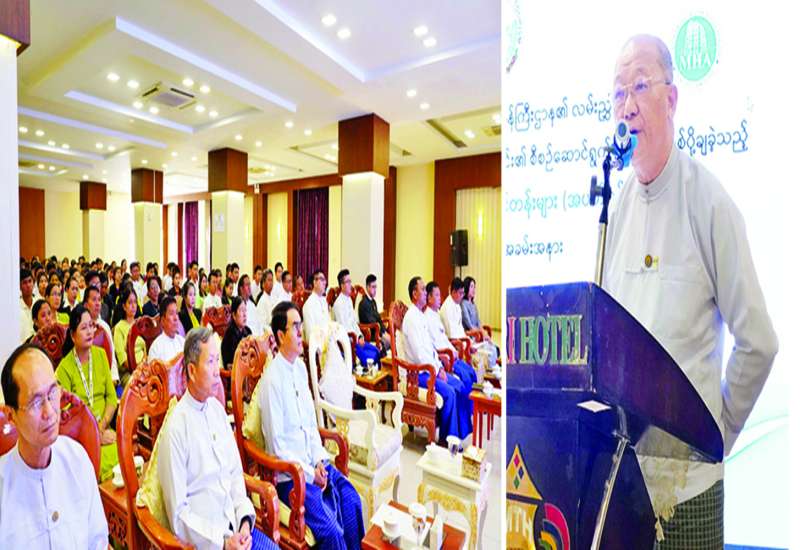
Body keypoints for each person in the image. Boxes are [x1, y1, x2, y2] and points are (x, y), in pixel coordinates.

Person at [602, 35, 778, 548]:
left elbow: (759, 341)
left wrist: (717, 434)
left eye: (640, 86)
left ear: (672, 99)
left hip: (689, 489)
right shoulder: (614, 208)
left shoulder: (709, 201)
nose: (627, 106)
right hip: (623, 479)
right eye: (618, 93)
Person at [158, 327, 277, 550]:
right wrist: (222, 542)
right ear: (192, 370)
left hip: (238, 532)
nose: (217, 371)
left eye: (217, 361)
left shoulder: (217, 411)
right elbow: (178, 515)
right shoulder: (176, 428)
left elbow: (235, 474)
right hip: (208, 542)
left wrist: (244, 523)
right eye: (211, 362)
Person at [261, 301, 365, 550]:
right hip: (292, 477)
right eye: (295, 327)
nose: (301, 332)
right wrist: (310, 473)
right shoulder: (271, 381)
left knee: (352, 499)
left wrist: (319, 461)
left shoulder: (299, 368)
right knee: (331, 531)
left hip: (315, 464)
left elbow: (311, 424)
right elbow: (277, 447)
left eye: (301, 326)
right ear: (280, 336)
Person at [0, 344, 108, 549]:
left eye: (52, 393)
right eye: (35, 402)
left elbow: (98, 541)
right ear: (11, 416)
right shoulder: (3, 487)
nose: (49, 412)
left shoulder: (77, 459)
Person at [55, 305, 119, 481]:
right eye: (84, 328)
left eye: (91, 325)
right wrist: (94, 436)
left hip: (105, 428)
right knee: (95, 468)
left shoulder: (100, 355)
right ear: (72, 335)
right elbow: (68, 420)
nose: (90, 331)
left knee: (124, 455)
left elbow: (111, 398)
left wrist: (101, 427)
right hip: (82, 440)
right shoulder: (64, 368)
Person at [402, 277, 469, 443]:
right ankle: (446, 441)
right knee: (450, 393)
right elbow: (419, 355)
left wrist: (439, 366)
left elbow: (430, 349)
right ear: (414, 294)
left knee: (459, 386)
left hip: (430, 368)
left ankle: (458, 436)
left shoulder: (420, 315)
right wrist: (437, 370)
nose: (426, 293)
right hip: (418, 374)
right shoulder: (411, 318)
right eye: (423, 289)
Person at [424, 281, 477, 411]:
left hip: (450, 353)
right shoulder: (426, 318)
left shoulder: (435, 314)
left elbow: (444, 338)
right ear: (429, 298)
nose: (440, 298)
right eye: (437, 295)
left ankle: (473, 408)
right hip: (444, 357)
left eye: (440, 295)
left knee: (471, 372)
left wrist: (453, 350)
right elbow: (433, 345)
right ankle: (466, 412)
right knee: (464, 378)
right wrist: (449, 353)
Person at [440, 277, 497, 366]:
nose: (462, 295)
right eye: (460, 293)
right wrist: (468, 344)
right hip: (458, 344)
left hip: (464, 340)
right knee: (486, 354)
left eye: (463, 293)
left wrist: (470, 341)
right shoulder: (447, 308)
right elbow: (452, 335)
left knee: (492, 349)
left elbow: (461, 330)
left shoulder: (456, 305)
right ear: (453, 292)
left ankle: (491, 369)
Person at [332, 269, 380, 366]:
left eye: (350, 281)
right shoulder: (338, 304)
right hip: (350, 343)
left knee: (377, 351)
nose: (351, 284)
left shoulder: (349, 300)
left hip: (357, 339)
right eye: (348, 282)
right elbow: (344, 329)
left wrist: (360, 336)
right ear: (342, 285)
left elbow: (354, 323)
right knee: (371, 357)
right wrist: (357, 339)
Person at [83, 286, 120, 384]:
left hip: (106, 377)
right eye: (94, 300)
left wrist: (114, 378)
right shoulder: (81, 327)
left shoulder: (105, 326)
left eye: (99, 300)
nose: (97, 303)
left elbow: (111, 355)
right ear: (86, 304)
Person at [112, 286, 145, 387]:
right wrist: (137, 369)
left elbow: (145, 349)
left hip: (144, 369)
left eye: (135, 302)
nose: (133, 306)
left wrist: (143, 366)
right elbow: (122, 358)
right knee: (139, 386)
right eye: (130, 303)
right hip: (128, 372)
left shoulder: (140, 324)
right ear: (124, 306)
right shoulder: (119, 328)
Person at [358, 273, 390, 350]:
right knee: (389, 341)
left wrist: (384, 332)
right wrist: (383, 334)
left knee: (393, 338)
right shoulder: (364, 303)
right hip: (370, 334)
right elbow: (371, 322)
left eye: (376, 287)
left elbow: (378, 319)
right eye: (373, 287)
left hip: (378, 331)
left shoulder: (373, 302)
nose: (375, 290)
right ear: (367, 287)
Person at [148, 296, 185, 362]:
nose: (176, 318)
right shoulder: (156, 348)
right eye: (171, 314)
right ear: (163, 320)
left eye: (176, 313)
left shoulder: (182, 341)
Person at [221, 297, 252, 369]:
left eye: (245, 310)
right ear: (234, 315)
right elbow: (228, 364)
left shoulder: (248, 331)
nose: (244, 314)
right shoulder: (229, 336)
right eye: (241, 310)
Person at [302, 270, 330, 343]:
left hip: (329, 342)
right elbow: (310, 335)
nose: (325, 283)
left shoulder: (324, 301)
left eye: (325, 280)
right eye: (322, 279)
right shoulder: (308, 305)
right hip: (318, 345)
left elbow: (329, 325)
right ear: (314, 282)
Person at [461, 276, 491, 342]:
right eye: (471, 287)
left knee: (492, 345)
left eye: (474, 287)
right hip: (471, 334)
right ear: (466, 287)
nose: (474, 290)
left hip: (478, 333)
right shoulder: (463, 304)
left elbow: (478, 322)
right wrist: (481, 332)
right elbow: (469, 325)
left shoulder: (473, 304)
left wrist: (483, 331)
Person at [20, 268, 35, 343]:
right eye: (24, 283)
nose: (28, 285)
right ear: (20, 286)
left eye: (30, 281)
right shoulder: (17, 308)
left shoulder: (38, 303)